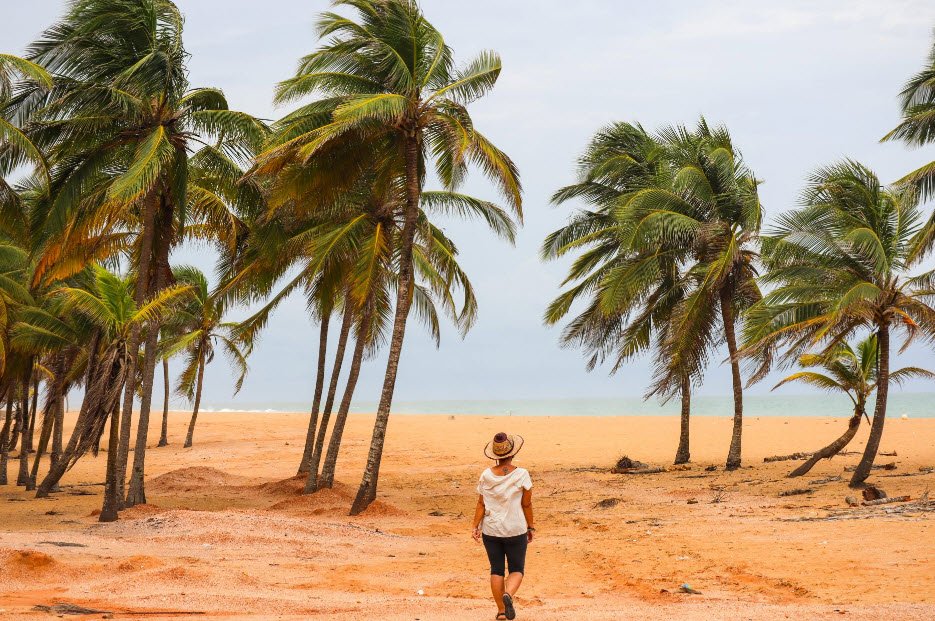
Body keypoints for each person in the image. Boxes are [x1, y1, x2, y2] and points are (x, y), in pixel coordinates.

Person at [472, 432, 534, 620]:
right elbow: (526, 504)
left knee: (496, 569)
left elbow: (481, 503)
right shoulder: (522, 474)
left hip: (491, 530)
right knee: (516, 569)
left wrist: (475, 526)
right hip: (515, 529)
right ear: (512, 453)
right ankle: (508, 594)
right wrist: (531, 527)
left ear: (495, 455)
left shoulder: (486, 475)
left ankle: (500, 611)